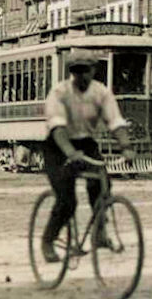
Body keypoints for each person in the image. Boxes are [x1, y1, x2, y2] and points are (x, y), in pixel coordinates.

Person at [40, 49, 136, 263]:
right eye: (76, 71)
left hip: (86, 143)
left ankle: (100, 233)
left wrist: (126, 146)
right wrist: (70, 152)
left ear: (94, 70)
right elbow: (57, 127)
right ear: (71, 72)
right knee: (67, 201)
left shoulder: (101, 93)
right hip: (59, 147)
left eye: (86, 70)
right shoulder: (59, 93)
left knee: (101, 187)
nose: (81, 75)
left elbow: (115, 121)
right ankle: (48, 240)